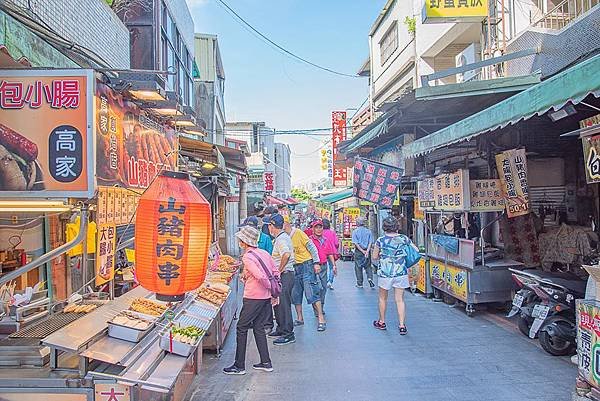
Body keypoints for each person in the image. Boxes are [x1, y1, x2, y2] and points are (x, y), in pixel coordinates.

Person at [224, 226, 279, 375]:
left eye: (240, 240)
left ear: (244, 242)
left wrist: (269, 288)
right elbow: (275, 272)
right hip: (264, 297)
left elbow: (260, 276)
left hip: (253, 298)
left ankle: (239, 365)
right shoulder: (264, 253)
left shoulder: (247, 257)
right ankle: (266, 362)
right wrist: (272, 292)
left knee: (241, 328)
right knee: (258, 327)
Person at [371, 216, 416, 335]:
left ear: (384, 227)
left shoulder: (380, 240)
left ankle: (382, 321)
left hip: (385, 273)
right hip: (401, 272)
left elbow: (374, 257)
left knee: (382, 298)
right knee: (400, 299)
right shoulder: (404, 238)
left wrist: (383, 255)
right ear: (397, 226)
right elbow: (414, 250)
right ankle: (402, 325)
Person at [284, 216, 327, 331]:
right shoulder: (283, 237)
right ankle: (299, 318)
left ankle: (321, 318)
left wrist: (316, 262)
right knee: (296, 293)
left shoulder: (298, 233)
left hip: (306, 265)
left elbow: (311, 247)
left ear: (286, 224)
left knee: (312, 292)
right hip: (294, 267)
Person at [264, 214, 296, 345]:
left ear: (272, 226)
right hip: (283, 275)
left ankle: (288, 334)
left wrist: (279, 270)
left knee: (283, 305)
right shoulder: (280, 238)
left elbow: (286, 254)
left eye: (269, 226)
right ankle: (281, 328)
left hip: (285, 275)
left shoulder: (281, 239)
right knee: (278, 304)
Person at [310, 220, 337, 310]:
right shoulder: (310, 240)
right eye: (316, 227)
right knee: (315, 288)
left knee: (323, 287)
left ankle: (321, 306)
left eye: (320, 227)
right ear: (313, 229)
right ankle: (316, 308)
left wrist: (333, 265)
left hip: (324, 266)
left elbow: (330, 253)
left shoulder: (326, 240)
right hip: (313, 267)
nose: (318, 229)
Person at [352, 217, 374, 288]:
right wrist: (367, 251)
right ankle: (370, 278)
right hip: (367, 250)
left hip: (359, 251)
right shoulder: (369, 231)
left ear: (357, 223)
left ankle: (360, 283)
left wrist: (362, 251)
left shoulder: (355, 232)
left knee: (358, 267)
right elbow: (370, 242)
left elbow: (356, 243)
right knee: (368, 266)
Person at [321, 218, 340, 290]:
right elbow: (336, 243)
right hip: (331, 252)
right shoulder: (332, 233)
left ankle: (324, 281)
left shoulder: (320, 232)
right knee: (332, 266)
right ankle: (330, 281)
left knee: (323, 266)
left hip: (322, 252)